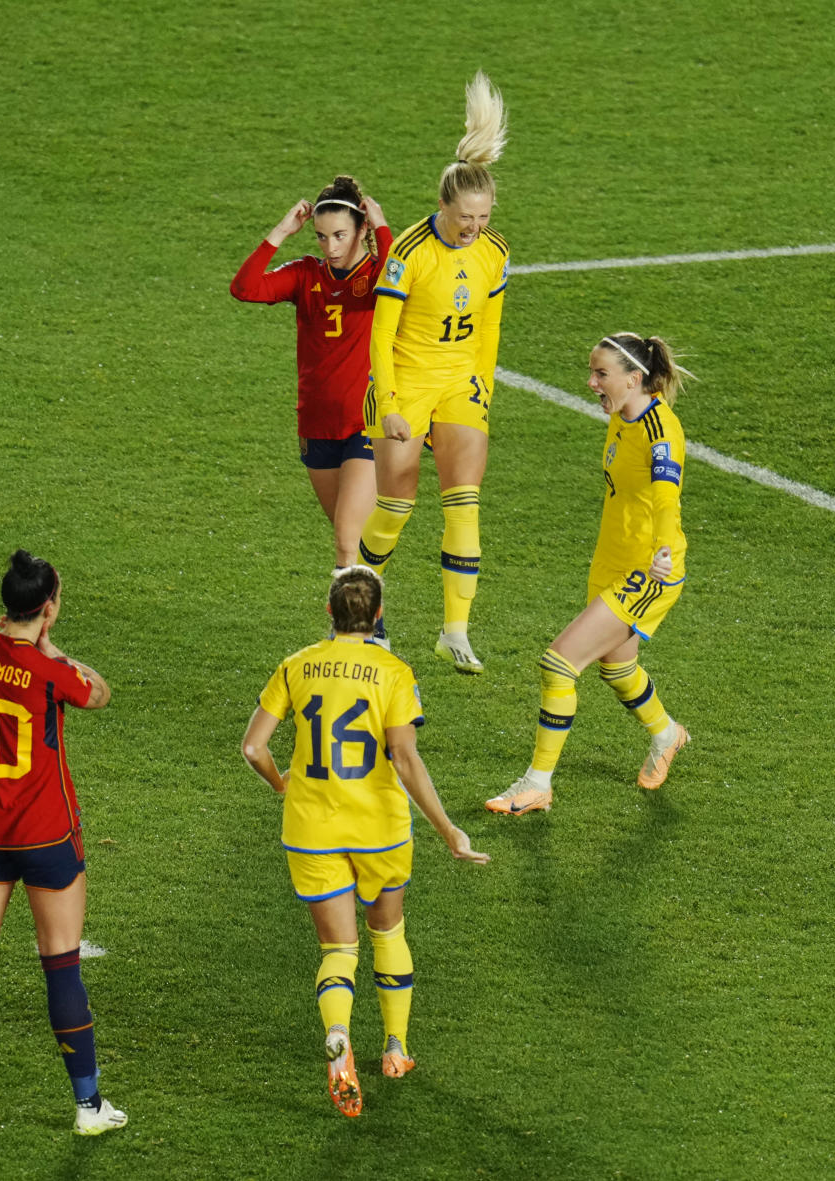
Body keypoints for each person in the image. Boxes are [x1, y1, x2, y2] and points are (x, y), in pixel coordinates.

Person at [241, 565, 489, 1118]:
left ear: (329, 613)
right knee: (388, 933)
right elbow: (404, 757)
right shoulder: (395, 672)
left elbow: (254, 748)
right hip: (379, 830)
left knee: (338, 950)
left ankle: (337, 1035)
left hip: (311, 830)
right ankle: (396, 1050)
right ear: (377, 616)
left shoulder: (296, 666)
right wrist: (449, 829)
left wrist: (284, 784)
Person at [0, 549, 126, 1136]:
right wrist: (52, 648)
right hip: (47, 835)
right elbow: (101, 693)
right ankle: (88, 1109)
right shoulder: (51, 671)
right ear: (49, 608)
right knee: (61, 965)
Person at [485, 333, 694, 817]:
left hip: (648, 571)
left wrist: (661, 552)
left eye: (601, 374)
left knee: (558, 664)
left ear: (633, 378)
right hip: (612, 562)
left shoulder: (660, 430)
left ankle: (537, 784)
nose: (591, 382)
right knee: (617, 668)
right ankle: (667, 734)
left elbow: (666, 497)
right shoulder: (625, 413)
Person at [358, 72, 510, 674]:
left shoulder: (494, 252)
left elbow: (491, 329)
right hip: (405, 383)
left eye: (484, 214)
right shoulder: (410, 252)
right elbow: (381, 332)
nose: (474, 225)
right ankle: (359, 611)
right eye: (466, 215)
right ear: (444, 204)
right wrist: (390, 402)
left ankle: (455, 631)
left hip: (460, 384)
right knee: (397, 506)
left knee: (464, 503)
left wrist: (483, 388)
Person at [230, 176, 393, 574]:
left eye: (340, 235)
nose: (331, 247)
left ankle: (351, 632)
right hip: (316, 424)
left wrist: (384, 227)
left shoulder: (376, 278)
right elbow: (244, 288)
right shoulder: (305, 275)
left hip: (363, 424)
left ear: (361, 230)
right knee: (352, 540)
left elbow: (402, 275)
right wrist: (281, 232)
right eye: (321, 237)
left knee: (345, 538)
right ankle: (373, 626)